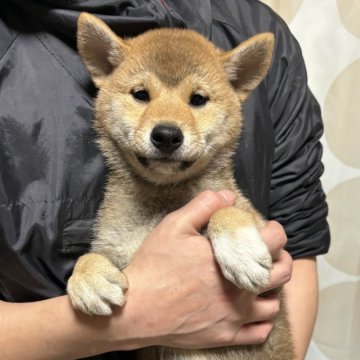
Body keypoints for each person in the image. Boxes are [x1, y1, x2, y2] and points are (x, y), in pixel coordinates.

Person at [0, 1, 330, 359]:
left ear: (237, 84)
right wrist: (92, 272)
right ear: (104, 66)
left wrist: (229, 223)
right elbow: (113, 265)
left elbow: (297, 245)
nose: (168, 124)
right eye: (142, 95)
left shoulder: (252, 23)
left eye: (198, 99)